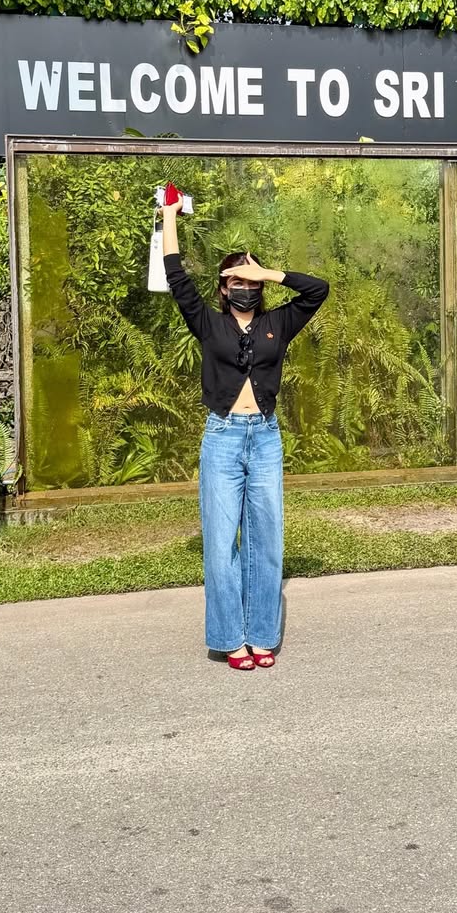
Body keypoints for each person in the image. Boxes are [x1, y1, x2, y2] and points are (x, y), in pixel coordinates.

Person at [159, 193, 330, 671]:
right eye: (237, 281)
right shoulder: (208, 323)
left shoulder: (280, 322)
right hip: (223, 438)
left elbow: (317, 290)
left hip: (266, 438)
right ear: (223, 287)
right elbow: (176, 277)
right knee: (221, 543)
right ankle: (229, 637)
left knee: (266, 540)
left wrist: (269, 272)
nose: (246, 288)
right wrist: (169, 217)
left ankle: (260, 636)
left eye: (251, 282)